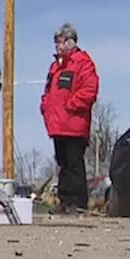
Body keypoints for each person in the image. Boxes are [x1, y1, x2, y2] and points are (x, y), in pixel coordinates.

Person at [40, 23, 100, 213]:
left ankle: (78, 203)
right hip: (57, 124)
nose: (56, 45)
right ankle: (65, 202)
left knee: (74, 163)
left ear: (70, 41)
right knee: (62, 163)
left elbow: (90, 89)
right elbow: (48, 91)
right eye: (55, 42)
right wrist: (45, 106)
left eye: (59, 41)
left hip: (74, 123)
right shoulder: (54, 67)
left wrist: (71, 105)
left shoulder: (82, 62)